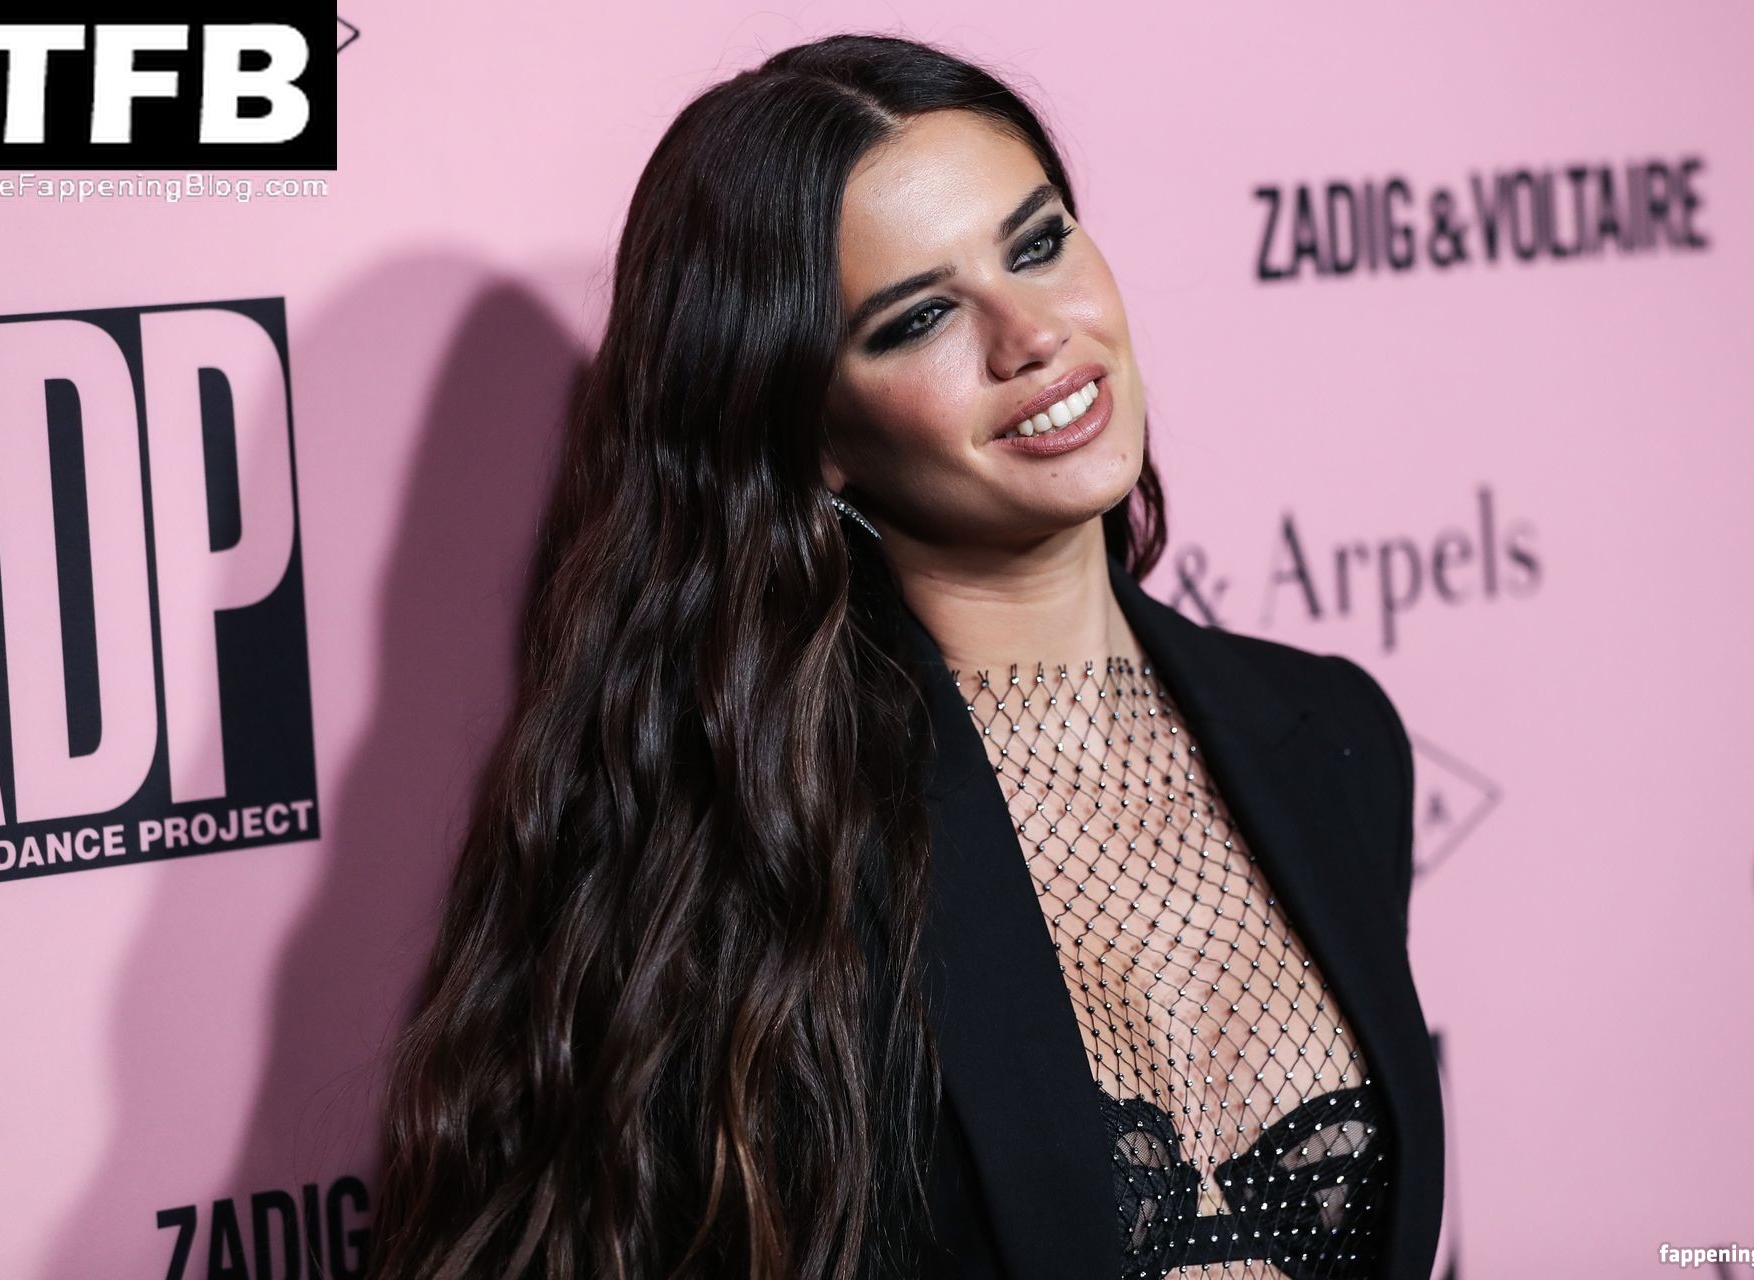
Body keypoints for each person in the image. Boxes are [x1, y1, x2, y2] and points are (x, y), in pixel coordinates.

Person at [370, 31, 1444, 1280]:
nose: (1031, 335)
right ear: (811, 428)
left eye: (1036, 244)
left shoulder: (1332, 737)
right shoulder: (755, 835)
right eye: (921, 316)